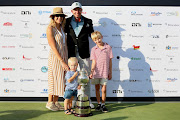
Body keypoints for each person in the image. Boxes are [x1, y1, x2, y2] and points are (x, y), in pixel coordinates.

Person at [65, 2, 94, 108]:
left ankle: (87, 99)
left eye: (79, 9)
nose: (77, 12)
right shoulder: (66, 21)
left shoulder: (88, 21)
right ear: (72, 11)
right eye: (75, 10)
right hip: (71, 54)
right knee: (73, 77)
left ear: (82, 10)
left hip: (84, 53)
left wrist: (100, 45)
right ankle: (73, 101)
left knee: (85, 77)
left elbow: (92, 35)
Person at [46, 7, 69, 111]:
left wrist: (65, 59)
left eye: (61, 16)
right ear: (53, 17)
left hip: (64, 56)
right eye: (57, 16)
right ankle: (50, 102)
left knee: (60, 80)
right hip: (56, 57)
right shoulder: (50, 28)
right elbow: (53, 46)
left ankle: (55, 102)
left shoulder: (62, 28)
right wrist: (61, 60)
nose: (59, 18)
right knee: (54, 79)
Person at [89, 31, 113, 112]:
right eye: (95, 40)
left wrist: (110, 72)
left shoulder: (108, 47)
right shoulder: (93, 49)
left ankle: (103, 104)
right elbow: (93, 62)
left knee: (104, 89)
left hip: (105, 72)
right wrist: (92, 72)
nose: (98, 41)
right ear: (93, 41)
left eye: (99, 38)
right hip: (96, 72)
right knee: (96, 88)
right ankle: (99, 104)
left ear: (102, 37)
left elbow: (110, 61)